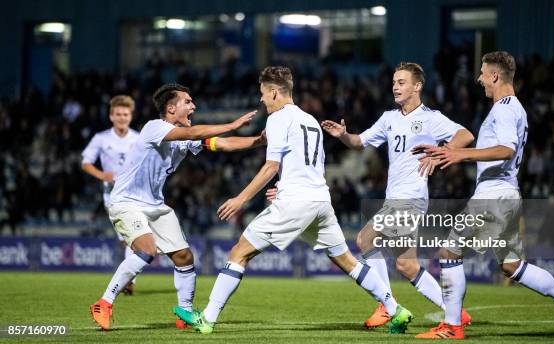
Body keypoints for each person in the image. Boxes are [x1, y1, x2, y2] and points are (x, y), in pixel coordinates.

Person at [175, 66, 413, 335]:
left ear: (275, 92)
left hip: (296, 202)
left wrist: (240, 199)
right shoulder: (310, 120)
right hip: (320, 200)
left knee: (239, 252)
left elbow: (270, 167)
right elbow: (308, 166)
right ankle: (396, 309)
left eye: (263, 94)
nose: (261, 100)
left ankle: (207, 318)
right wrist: (286, 187)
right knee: (348, 261)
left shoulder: (277, 119)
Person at [413, 51, 554, 340]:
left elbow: (506, 149)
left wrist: (459, 154)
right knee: (512, 265)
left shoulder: (505, 109)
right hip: (507, 195)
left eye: (483, 73)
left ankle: (451, 327)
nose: (479, 79)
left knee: (448, 253)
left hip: (493, 197)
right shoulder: (513, 108)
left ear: (495, 76)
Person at [89, 83, 256, 331]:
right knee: (147, 250)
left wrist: (261, 141)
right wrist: (231, 124)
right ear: (170, 108)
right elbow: (193, 134)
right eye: (188, 102)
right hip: (126, 202)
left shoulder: (185, 139)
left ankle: (185, 313)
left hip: (155, 205)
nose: (193, 106)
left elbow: (224, 145)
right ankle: (104, 302)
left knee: (184, 256)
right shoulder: (154, 128)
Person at [320, 62, 474, 329]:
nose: (395, 86)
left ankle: (387, 305)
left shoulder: (430, 118)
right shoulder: (389, 118)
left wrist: (443, 152)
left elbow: (466, 135)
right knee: (406, 265)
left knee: (365, 239)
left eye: (402, 82)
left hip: (410, 198)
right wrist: (344, 135)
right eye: (394, 82)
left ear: (417, 86)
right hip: (396, 199)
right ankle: (456, 313)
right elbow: (360, 143)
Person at [82, 95, 140, 295]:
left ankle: (128, 279)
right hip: (112, 195)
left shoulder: (138, 138)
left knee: (132, 237)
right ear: (111, 116)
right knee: (130, 238)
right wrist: (101, 175)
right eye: (118, 114)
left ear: (131, 116)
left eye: (126, 114)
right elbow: (86, 162)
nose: (122, 117)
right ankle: (128, 278)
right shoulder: (101, 138)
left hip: (135, 193)